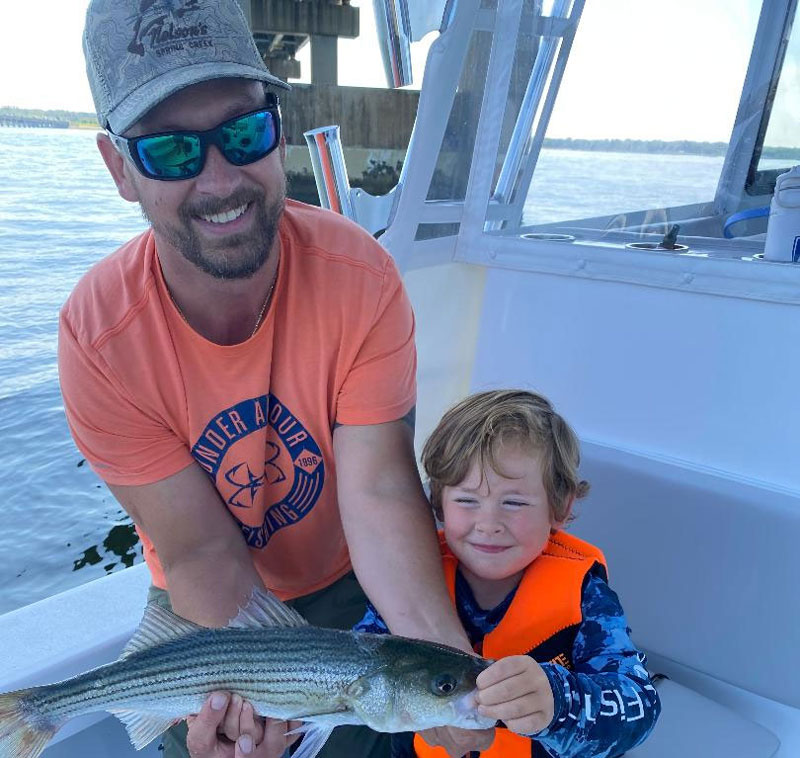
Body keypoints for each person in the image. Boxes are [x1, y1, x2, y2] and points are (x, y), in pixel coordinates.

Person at [60, 1, 489, 757]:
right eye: (170, 152)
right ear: (118, 168)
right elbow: (197, 552)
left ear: (279, 128)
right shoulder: (98, 337)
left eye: (243, 134)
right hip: (203, 607)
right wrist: (250, 710)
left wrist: (450, 680)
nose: (221, 181)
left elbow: (382, 494)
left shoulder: (362, 279)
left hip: (352, 578)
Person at [356, 389, 662, 757]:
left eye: (513, 503)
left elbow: (640, 705)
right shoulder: (410, 576)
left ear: (560, 508)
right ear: (437, 503)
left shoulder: (586, 596)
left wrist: (558, 703)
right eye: (467, 500)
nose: (488, 524)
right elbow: (355, 661)